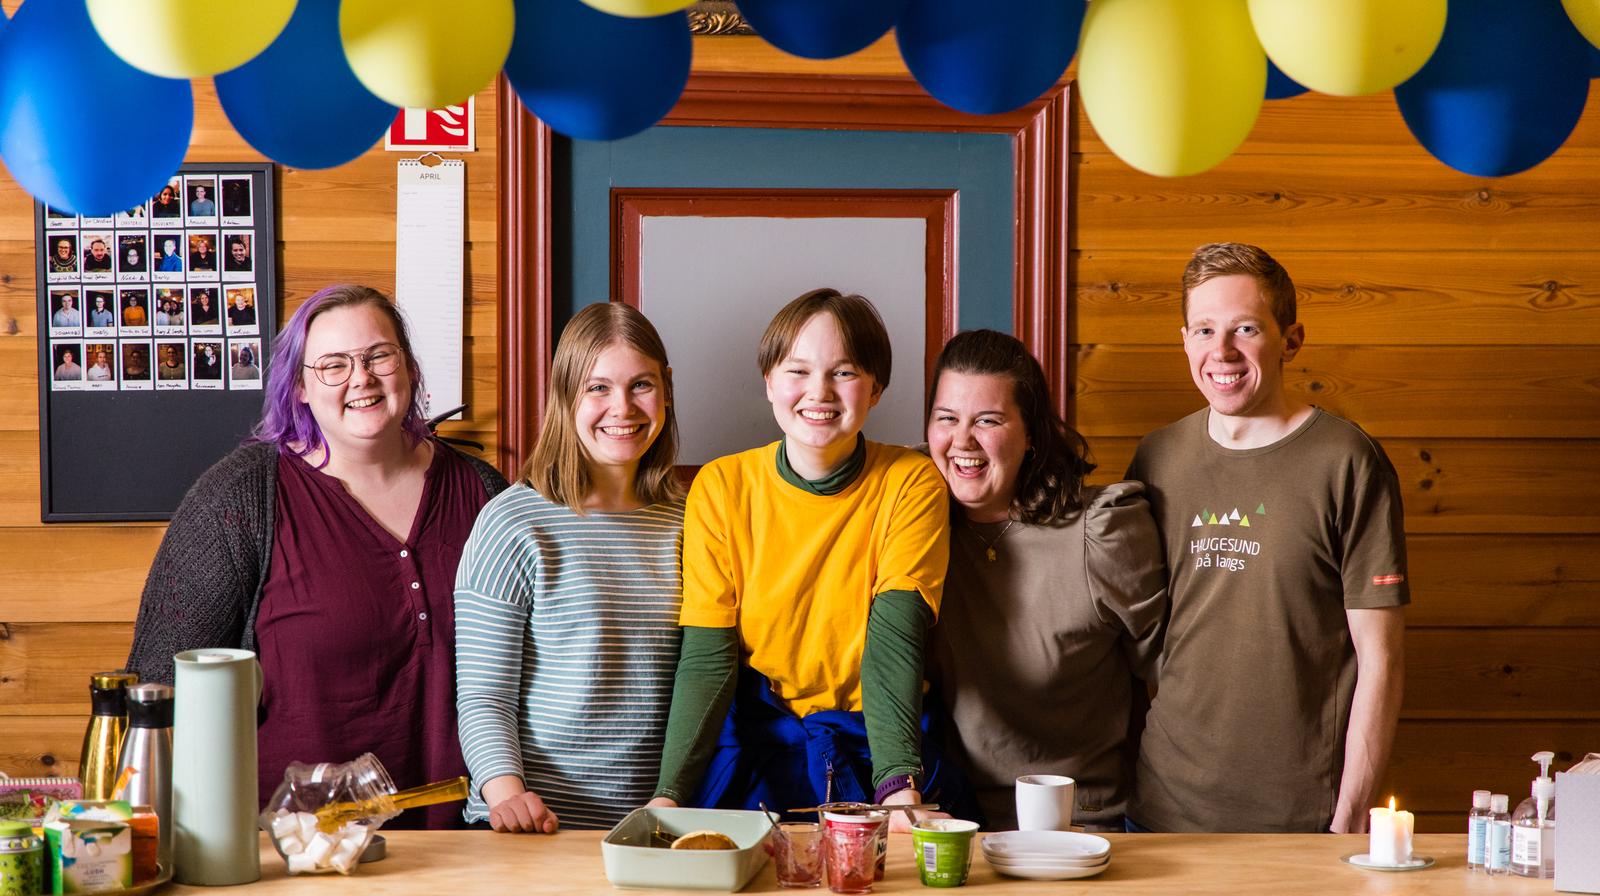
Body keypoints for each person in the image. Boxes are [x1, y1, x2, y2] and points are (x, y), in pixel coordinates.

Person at [125, 284, 509, 829]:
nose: (362, 378)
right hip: (296, 848)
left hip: (467, 843)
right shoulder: (239, 499)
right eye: (333, 365)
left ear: (408, 367)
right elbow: (159, 684)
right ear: (300, 387)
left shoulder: (484, 492)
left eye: (379, 355)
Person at [647, 288, 967, 831]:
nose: (819, 391)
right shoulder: (722, 486)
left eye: (844, 372)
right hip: (759, 744)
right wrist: (669, 795)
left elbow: (896, 638)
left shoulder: (911, 482)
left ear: (876, 389)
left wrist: (897, 786)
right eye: (798, 370)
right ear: (769, 381)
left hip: (875, 746)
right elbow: (707, 658)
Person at [1125, 243, 1408, 834]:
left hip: (1301, 821)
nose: (1222, 351)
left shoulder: (1347, 462)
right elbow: (1135, 635)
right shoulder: (1157, 458)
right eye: (1204, 330)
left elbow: (1380, 658)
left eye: (1245, 329)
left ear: (1291, 340)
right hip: (1161, 812)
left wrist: (1350, 814)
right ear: (1185, 341)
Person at [455, 303, 686, 834]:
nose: (622, 408)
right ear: (565, 395)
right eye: (597, 387)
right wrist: (508, 796)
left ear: (667, 390)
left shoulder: (692, 519)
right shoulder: (513, 522)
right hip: (534, 826)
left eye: (642, 385)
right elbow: (485, 696)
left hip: (655, 827)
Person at [924, 330, 1168, 832]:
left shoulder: (1102, 531)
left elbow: (1173, 680)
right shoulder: (914, 526)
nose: (962, 441)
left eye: (988, 420)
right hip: (951, 818)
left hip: (1081, 823)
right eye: (947, 418)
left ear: (1031, 432)